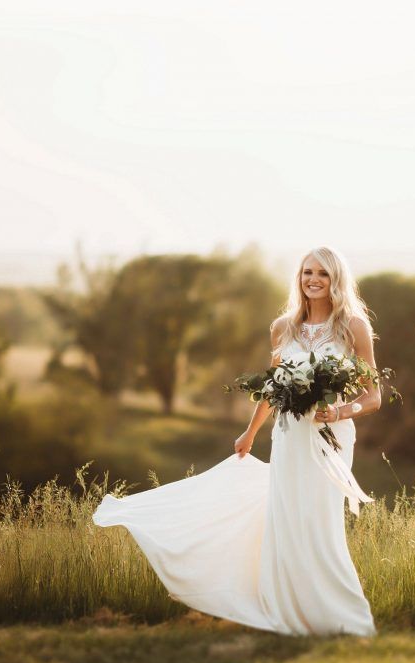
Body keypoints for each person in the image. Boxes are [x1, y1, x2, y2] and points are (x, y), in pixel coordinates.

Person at [92, 246, 381, 637]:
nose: (313, 279)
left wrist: (340, 412)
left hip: (329, 438)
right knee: (287, 520)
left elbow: (373, 395)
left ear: (336, 280)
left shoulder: (353, 328)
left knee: (319, 521)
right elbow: (271, 388)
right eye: (307, 271)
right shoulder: (283, 328)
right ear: (299, 277)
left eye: (323, 274)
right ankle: (289, 608)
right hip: (289, 435)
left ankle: (340, 614)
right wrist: (251, 432)